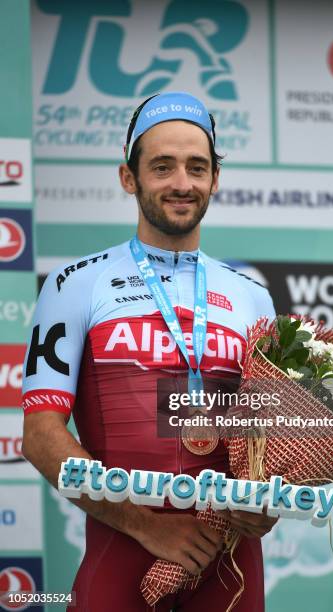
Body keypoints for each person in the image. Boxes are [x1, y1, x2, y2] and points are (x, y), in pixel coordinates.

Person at [22, 91, 277, 611]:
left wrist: (267, 503)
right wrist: (146, 525)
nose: (182, 183)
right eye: (162, 167)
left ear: (214, 179)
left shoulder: (253, 295)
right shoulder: (76, 282)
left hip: (231, 565)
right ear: (128, 177)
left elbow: (267, 438)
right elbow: (40, 436)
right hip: (123, 558)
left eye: (196, 167)